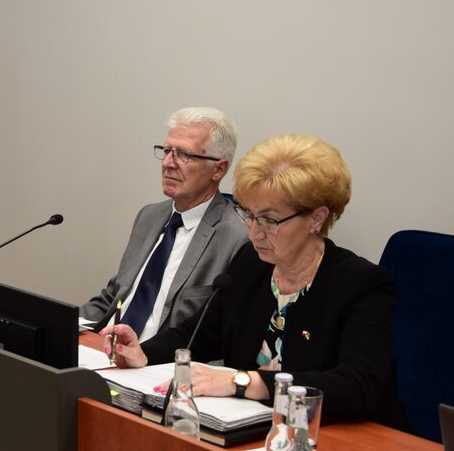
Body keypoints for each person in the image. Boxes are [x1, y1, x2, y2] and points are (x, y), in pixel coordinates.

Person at [104, 134, 408, 429]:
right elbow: (199, 334)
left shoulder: (361, 284)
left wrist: (242, 381)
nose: (254, 232)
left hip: (335, 434)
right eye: (248, 215)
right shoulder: (253, 263)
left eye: (269, 220)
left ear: (316, 218)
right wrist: (145, 353)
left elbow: (357, 386)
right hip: (251, 427)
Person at [81, 107, 249, 342]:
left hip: (157, 358)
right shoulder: (149, 216)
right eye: (167, 151)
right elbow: (113, 297)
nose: (168, 163)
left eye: (184, 155)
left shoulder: (238, 237)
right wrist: (64, 325)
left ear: (218, 169)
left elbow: (220, 337)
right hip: (103, 347)